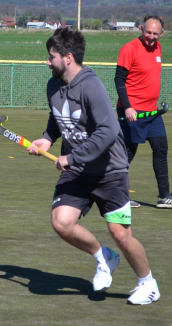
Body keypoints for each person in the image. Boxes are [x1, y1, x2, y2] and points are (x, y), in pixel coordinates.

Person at [27, 28, 160, 305]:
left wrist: (72, 158)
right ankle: (104, 257)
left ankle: (148, 283)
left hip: (109, 172)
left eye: (51, 57)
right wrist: (48, 138)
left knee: (121, 234)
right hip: (77, 172)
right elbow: (58, 116)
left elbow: (109, 131)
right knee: (61, 222)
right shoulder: (54, 85)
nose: (47, 62)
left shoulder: (91, 86)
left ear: (68, 57)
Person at [115, 15, 172, 209]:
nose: (151, 37)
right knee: (126, 154)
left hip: (152, 112)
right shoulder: (129, 48)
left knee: (161, 148)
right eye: (148, 32)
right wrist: (128, 106)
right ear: (141, 29)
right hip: (132, 111)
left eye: (155, 33)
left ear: (161, 34)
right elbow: (119, 80)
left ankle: (164, 196)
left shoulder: (158, 47)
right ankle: (118, 196)